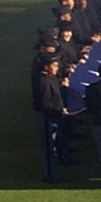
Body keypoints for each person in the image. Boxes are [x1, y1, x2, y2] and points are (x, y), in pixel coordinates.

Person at [32, 54, 67, 183]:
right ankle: (50, 175)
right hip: (47, 118)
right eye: (54, 65)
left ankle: (52, 173)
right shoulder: (43, 81)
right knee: (48, 148)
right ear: (46, 67)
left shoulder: (49, 78)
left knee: (51, 147)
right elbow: (44, 104)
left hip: (51, 117)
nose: (56, 68)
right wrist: (59, 111)